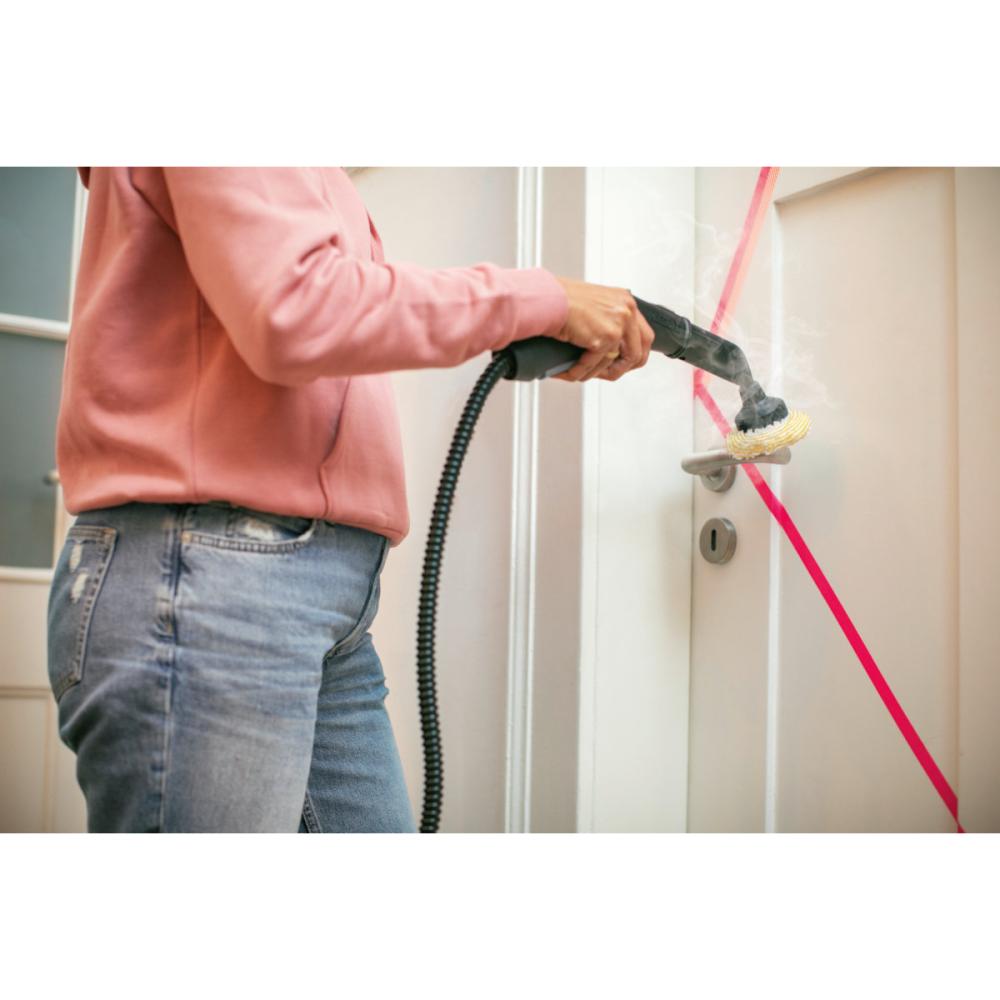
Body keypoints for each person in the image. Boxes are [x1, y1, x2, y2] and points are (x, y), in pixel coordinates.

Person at [47, 167, 655, 833]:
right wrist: (542, 299)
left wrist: (539, 315)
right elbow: (296, 307)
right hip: (212, 586)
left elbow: (322, 309)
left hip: (311, 602)